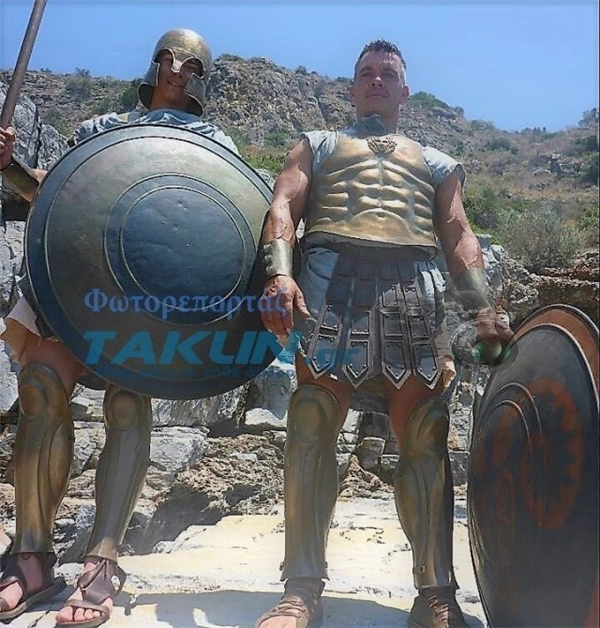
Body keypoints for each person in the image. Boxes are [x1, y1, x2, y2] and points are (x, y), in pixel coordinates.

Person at [255, 39, 512, 628]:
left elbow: (458, 234)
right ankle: (300, 591)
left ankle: (435, 595)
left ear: (404, 91)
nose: (376, 80)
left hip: (412, 287)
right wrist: (279, 274)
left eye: (387, 74)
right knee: (311, 420)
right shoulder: (318, 145)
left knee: (425, 434)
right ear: (351, 88)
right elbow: (283, 208)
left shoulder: (437, 161)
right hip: (330, 281)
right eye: (366, 73)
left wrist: (480, 308)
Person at [0, 28, 239, 627]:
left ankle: (101, 562)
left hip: (149, 300)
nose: (177, 69)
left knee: (129, 403)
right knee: (40, 390)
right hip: (77, 280)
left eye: (191, 65)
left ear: (203, 79)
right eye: (168, 58)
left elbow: (220, 226)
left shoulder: (214, 146)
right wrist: (9, 168)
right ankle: (29, 559)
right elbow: (50, 194)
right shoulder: (102, 129)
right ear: (153, 63)